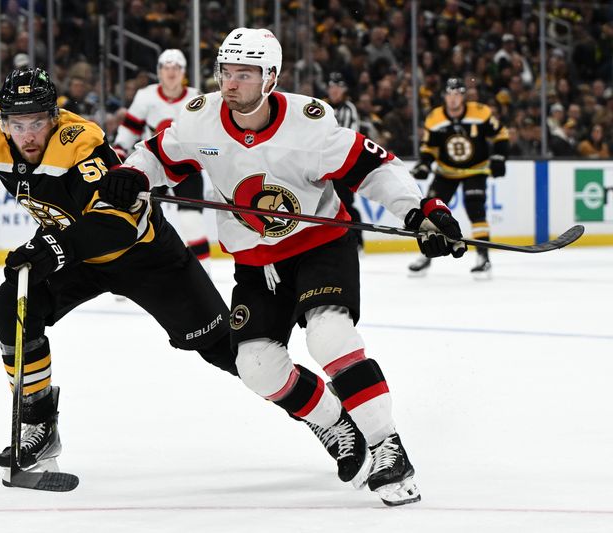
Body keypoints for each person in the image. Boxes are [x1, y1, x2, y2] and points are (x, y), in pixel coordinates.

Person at [0, 67, 362, 486]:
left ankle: (326, 415)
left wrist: (53, 247)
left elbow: (116, 224)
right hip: (73, 255)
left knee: (231, 354)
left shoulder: (81, 144)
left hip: (142, 256)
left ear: (54, 115)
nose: (28, 134)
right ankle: (40, 421)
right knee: (13, 304)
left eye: (38, 121)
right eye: (18, 123)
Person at [99, 28, 466, 506]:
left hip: (319, 246)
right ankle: (336, 423)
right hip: (256, 262)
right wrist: (132, 173)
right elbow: (156, 153)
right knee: (255, 367)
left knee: (329, 337)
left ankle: (388, 448)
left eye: (244, 74)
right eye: (225, 73)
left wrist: (420, 211)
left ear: (270, 77)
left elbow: (374, 166)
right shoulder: (202, 119)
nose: (230, 84)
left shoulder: (309, 123)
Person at [113, 49, 211, 272]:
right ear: (159, 71)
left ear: (183, 72)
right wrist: (119, 155)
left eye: (176, 68)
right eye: (166, 67)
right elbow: (130, 129)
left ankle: (204, 275)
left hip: (186, 167)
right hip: (152, 164)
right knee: (139, 221)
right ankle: (128, 274)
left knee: (191, 221)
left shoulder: (195, 98)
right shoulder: (145, 96)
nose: (171, 72)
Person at [410, 77, 509, 279]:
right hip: (446, 171)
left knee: (475, 208)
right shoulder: (435, 118)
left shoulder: (481, 113)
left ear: (463, 96)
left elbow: (501, 134)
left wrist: (499, 157)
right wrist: (424, 164)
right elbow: (429, 148)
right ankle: (426, 255)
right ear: (445, 96)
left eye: (457, 94)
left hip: (476, 170)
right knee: (429, 211)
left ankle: (483, 257)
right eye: (450, 94)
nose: (453, 99)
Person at [325, 71, 363, 250]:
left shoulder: (349, 109)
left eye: (338, 87)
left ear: (344, 90)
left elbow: (347, 137)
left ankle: (357, 241)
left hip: (343, 164)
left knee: (346, 204)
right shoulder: (321, 106)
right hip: (323, 164)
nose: (334, 91)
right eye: (332, 87)